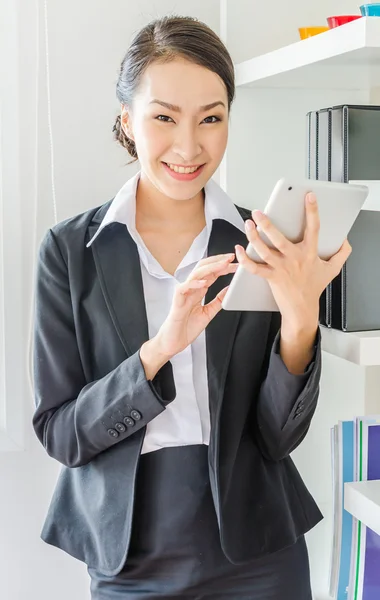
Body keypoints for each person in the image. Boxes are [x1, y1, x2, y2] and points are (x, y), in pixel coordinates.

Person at [32, 14, 351, 600]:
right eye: (163, 118)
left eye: (211, 118)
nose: (188, 146)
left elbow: (277, 438)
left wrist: (302, 320)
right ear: (127, 121)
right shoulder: (70, 252)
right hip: (130, 552)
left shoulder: (263, 241)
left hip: (259, 546)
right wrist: (158, 352)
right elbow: (61, 433)